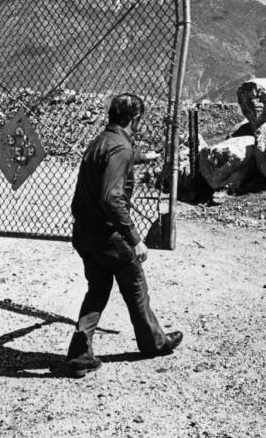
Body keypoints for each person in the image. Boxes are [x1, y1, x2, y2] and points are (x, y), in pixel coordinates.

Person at [65, 93, 183, 378]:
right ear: (134, 118)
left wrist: (143, 157)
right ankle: (154, 343)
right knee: (136, 288)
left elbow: (116, 159)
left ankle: (80, 355)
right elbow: (111, 197)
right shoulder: (120, 148)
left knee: (97, 289)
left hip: (84, 233)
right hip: (108, 236)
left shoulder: (103, 141)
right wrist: (135, 238)